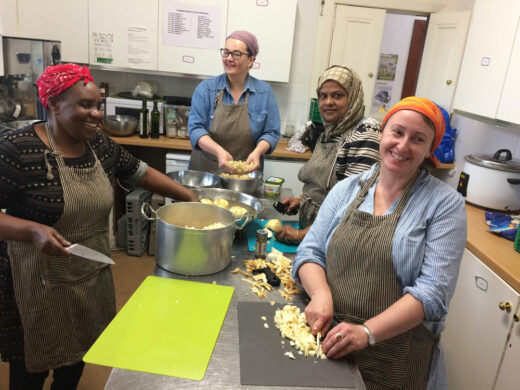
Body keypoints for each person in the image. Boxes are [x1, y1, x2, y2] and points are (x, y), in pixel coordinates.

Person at [0, 63, 198, 389]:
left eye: (98, 105)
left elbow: (139, 172)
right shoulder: (17, 150)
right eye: (85, 105)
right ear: (53, 104)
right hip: (36, 286)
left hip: (89, 279)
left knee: (77, 361)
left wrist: (189, 196)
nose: (97, 114)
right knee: (30, 374)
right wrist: (31, 230)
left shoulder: (98, 145)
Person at [292, 97, 467, 390]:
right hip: (330, 341)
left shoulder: (445, 205)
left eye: (418, 139)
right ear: (382, 133)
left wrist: (367, 332)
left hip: (397, 357)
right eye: (397, 132)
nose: (402, 145)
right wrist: (321, 296)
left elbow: (433, 293)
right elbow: (310, 252)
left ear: (429, 149)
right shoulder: (346, 190)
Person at [275, 65, 380, 243]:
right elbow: (325, 184)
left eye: (337, 95)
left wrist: (303, 235)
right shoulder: (330, 131)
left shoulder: (365, 134)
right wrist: (301, 200)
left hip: (334, 238)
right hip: (314, 231)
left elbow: (353, 205)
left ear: (353, 97)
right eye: (323, 96)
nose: (328, 102)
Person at [188, 30, 280, 174]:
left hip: (244, 174)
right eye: (226, 52)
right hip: (206, 173)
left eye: (236, 54)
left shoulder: (264, 93)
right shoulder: (206, 89)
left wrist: (257, 152)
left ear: (251, 60)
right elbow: (195, 130)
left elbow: (271, 133)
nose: (229, 58)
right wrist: (219, 151)